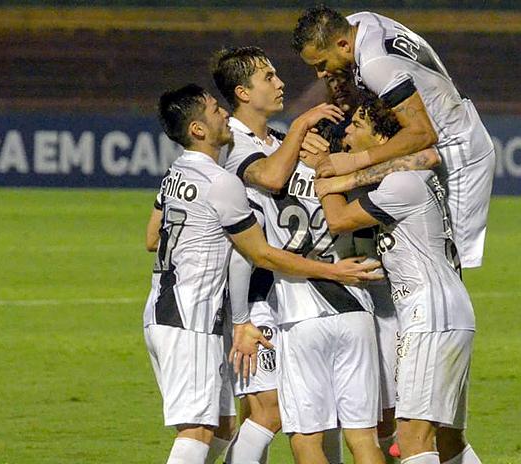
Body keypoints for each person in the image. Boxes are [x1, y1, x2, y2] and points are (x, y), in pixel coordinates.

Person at [145, 83, 382, 464]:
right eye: (213, 109)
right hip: (194, 314)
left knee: (222, 427)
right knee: (203, 430)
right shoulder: (224, 181)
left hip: (172, 309)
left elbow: (151, 237)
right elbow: (254, 253)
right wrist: (331, 272)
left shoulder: (175, 173)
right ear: (198, 129)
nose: (223, 112)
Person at [212, 48, 385, 464]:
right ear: (242, 92)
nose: (280, 83)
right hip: (254, 297)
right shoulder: (236, 144)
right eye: (268, 77)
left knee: (297, 420)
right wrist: (303, 125)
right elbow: (271, 178)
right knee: (271, 414)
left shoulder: (276, 140)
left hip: (291, 294)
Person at [308, 94, 483, 464]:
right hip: (447, 310)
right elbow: (425, 157)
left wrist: (322, 178)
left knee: (412, 438)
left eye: (358, 125)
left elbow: (338, 220)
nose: (349, 132)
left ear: (381, 139)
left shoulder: (400, 186)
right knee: (449, 440)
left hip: (429, 314)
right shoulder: (408, 176)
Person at [293, 5, 495, 270]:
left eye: (321, 64)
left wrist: (353, 163)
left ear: (342, 44)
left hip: (457, 155)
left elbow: (422, 133)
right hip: (437, 141)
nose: (321, 73)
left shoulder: (375, 64)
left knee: (446, 262)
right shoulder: (361, 23)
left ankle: (444, 310)